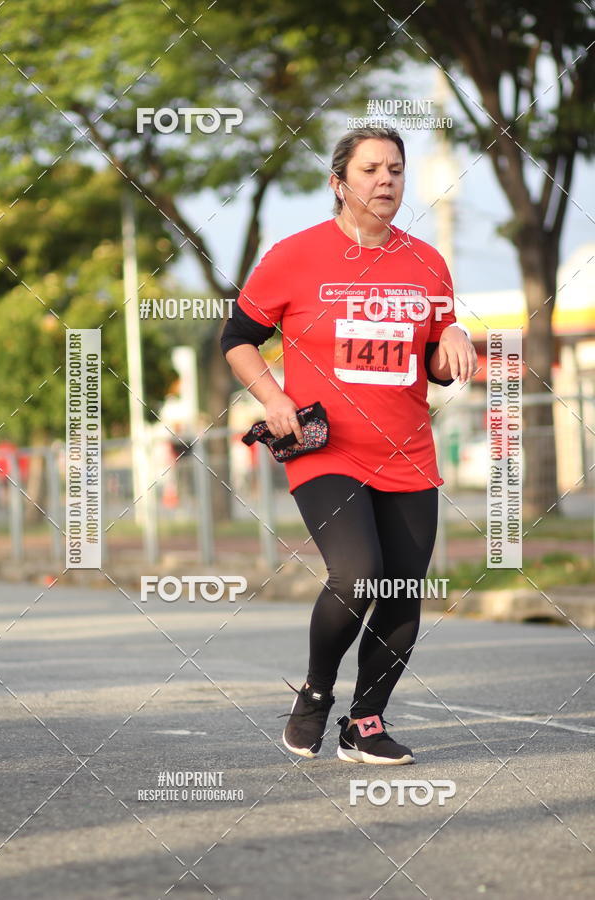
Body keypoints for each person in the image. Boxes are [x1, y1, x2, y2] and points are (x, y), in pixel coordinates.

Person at [221, 126, 477, 765]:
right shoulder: (294, 255)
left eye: (395, 168)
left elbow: (434, 358)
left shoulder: (427, 262)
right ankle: (314, 694)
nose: (386, 180)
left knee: (402, 591)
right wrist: (273, 398)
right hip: (327, 448)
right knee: (359, 574)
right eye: (370, 170)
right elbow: (237, 337)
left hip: (408, 450)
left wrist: (457, 342)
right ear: (339, 183)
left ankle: (365, 720)